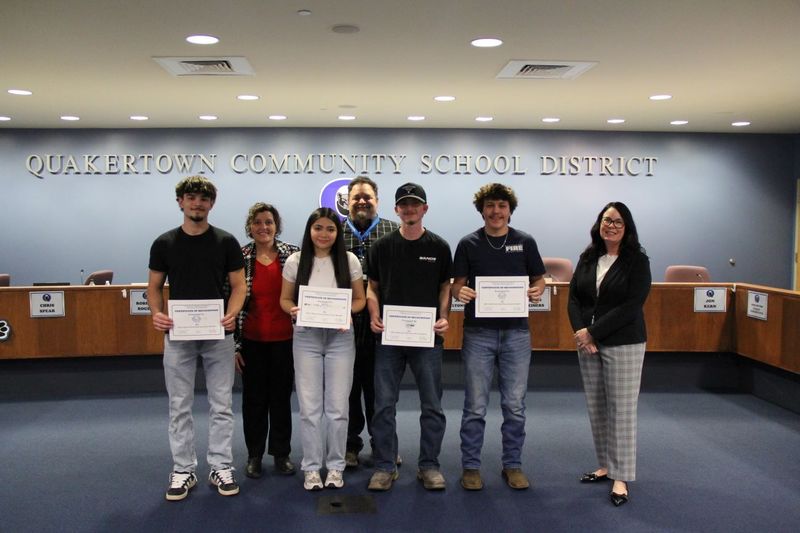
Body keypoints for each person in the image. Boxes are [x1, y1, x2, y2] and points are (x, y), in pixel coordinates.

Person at [147, 176, 246, 501]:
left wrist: (232, 313)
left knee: (222, 405)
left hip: (219, 332)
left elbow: (239, 286)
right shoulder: (164, 243)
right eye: (191, 198)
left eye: (204, 199)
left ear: (211, 204)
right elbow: (153, 288)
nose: (197, 203)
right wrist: (156, 313)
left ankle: (220, 465)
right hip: (179, 334)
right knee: (179, 405)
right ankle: (183, 470)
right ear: (180, 202)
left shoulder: (226, 242)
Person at [451, 183, 546, 491]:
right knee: (475, 405)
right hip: (478, 333)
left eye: (502, 206)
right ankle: (471, 467)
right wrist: (459, 291)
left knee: (515, 405)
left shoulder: (525, 241)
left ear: (509, 210)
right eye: (490, 206)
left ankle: (513, 465)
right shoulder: (468, 243)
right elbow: (457, 285)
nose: (496, 211)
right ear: (482, 210)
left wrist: (538, 289)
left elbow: (539, 279)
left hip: (517, 333)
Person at [366, 183, 452, 491]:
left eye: (415, 204)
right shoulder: (382, 246)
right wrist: (374, 314)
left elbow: (445, 286)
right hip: (389, 339)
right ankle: (385, 466)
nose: (409, 208)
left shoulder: (439, 247)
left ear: (424, 209)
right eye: (404, 204)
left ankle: (429, 466)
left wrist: (444, 316)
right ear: (396, 210)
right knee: (384, 405)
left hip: (427, 340)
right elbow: (372, 287)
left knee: (432, 405)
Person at [567, 201, 651, 507]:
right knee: (598, 407)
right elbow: (573, 297)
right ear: (598, 224)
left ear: (626, 227)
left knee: (622, 410)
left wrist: (593, 332)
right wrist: (581, 332)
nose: (611, 226)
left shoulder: (637, 261)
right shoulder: (588, 257)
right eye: (606, 221)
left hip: (624, 342)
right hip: (589, 344)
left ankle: (621, 477)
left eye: (617, 222)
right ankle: (605, 465)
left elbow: (632, 306)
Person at [280, 207, 366, 491]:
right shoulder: (295, 261)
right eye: (318, 228)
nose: (324, 234)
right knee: (309, 407)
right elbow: (284, 299)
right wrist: (293, 310)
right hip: (306, 337)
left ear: (337, 232)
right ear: (310, 230)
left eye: (330, 229)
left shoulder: (349, 260)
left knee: (338, 407)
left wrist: (345, 315)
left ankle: (336, 466)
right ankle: (312, 468)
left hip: (341, 337)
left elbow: (360, 301)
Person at [234, 203, 300, 479]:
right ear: (250, 226)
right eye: (258, 222)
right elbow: (233, 303)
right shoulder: (240, 257)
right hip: (251, 340)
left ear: (277, 225)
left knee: (281, 400)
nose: (264, 227)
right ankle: (255, 454)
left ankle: (281, 453)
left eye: (269, 222)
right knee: (254, 401)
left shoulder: (293, 255)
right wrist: (235, 345)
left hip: (286, 340)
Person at [341, 176, 399, 468]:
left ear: (377, 200)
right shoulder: (334, 232)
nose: (362, 202)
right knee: (348, 387)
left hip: (383, 321)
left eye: (367, 197)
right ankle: (350, 446)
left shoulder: (393, 231)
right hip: (344, 322)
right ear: (347, 201)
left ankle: (383, 445)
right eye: (356, 197)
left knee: (380, 388)